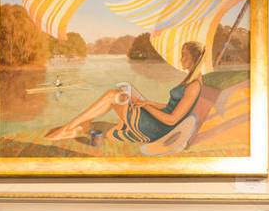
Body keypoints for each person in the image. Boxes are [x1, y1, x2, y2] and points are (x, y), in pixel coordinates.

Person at [44, 41, 206, 144]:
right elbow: (174, 108)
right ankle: (76, 127)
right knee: (119, 94)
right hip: (160, 121)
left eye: (184, 56)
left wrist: (146, 107)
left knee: (113, 95)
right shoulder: (191, 80)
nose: (180, 59)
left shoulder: (193, 86)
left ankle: (68, 128)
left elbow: (172, 120)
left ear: (194, 59)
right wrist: (149, 103)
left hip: (160, 128)